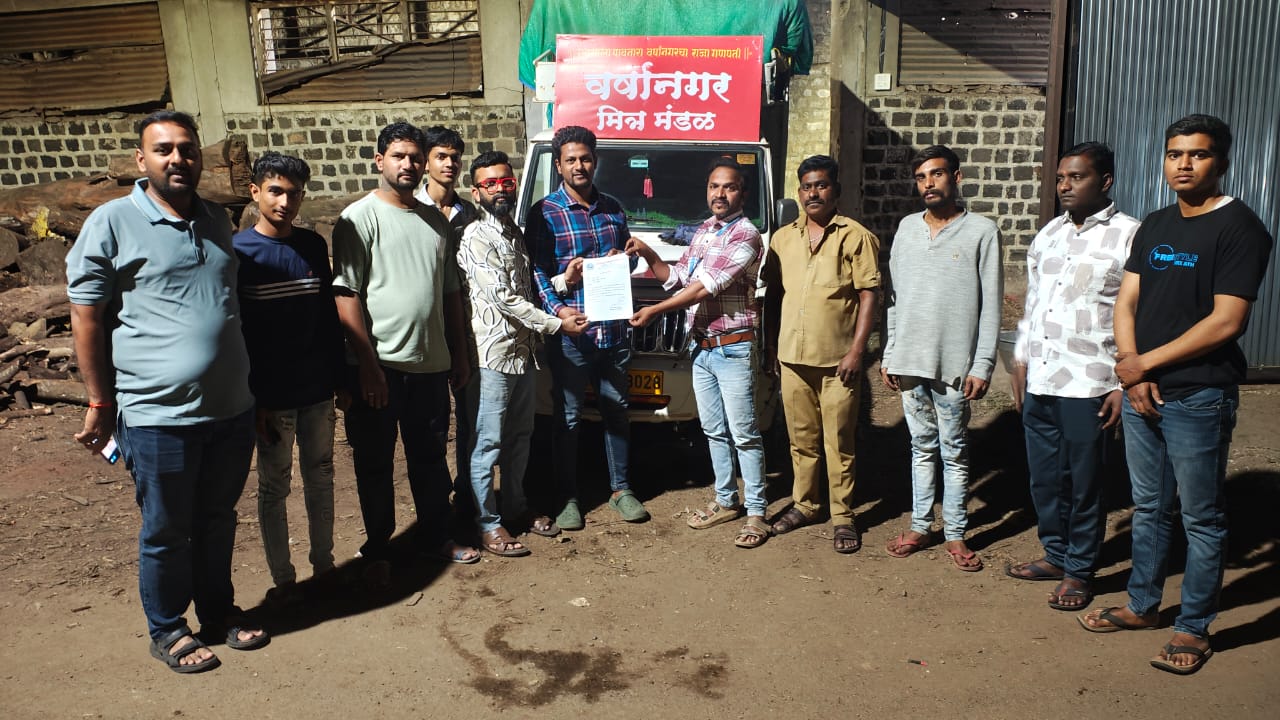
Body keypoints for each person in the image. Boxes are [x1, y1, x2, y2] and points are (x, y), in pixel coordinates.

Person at [65, 110, 267, 673]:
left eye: (186, 148)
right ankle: (168, 627)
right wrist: (101, 402)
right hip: (157, 412)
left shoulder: (216, 220)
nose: (177, 158)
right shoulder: (112, 222)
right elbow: (86, 316)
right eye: (163, 150)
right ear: (141, 160)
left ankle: (219, 611)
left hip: (230, 407)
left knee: (218, 517)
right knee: (166, 528)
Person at [1078, 114, 1272, 676]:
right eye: (1174, 154)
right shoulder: (1157, 224)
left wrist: (1143, 365)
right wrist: (1133, 376)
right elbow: (1126, 303)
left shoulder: (1241, 228)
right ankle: (1143, 606)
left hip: (1199, 397)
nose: (1183, 164)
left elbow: (1225, 322)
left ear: (1222, 161)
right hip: (1145, 393)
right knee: (1150, 509)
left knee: (1202, 518)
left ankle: (1193, 629)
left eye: (1198, 154)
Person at [331, 121, 479, 579]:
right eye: (399, 156)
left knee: (430, 457)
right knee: (374, 462)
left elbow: (450, 292)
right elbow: (346, 294)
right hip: (381, 369)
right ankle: (379, 544)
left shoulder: (435, 220)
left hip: (430, 365)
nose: (409, 165)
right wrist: (368, 367)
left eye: (415, 157)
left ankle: (436, 537)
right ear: (380, 162)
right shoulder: (359, 218)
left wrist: (459, 352)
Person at [1006, 143, 1140, 610]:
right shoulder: (1048, 236)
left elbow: (1141, 315)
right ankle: (1056, 553)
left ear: (1104, 182)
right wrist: (1020, 363)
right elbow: (1032, 306)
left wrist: (1125, 383)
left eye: (1076, 177)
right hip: (1041, 378)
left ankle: (1080, 570)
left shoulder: (1129, 237)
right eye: (1061, 177)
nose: (1065, 186)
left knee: (1085, 483)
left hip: (1091, 383)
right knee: (1045, 480)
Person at [626, 158, 770, 548]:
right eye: (713, 187)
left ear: (742, 193)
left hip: (733, 347)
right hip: (702, 347)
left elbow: (704, 288)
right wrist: (648, 256)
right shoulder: (705, 231)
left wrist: (654, 311)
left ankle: (756, 512)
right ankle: (727, 501)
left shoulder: (746, 235)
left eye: (729, 187)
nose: (719, 194)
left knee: (744, 434)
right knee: (713, 431)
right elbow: (679, 281)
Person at [458, 151, 588, 556]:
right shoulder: (476, 236)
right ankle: (486, 523)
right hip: (492, 356)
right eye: (490, 183)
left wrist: (563, 281)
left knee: (520, 437)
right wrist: (555, 324)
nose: (500, 189)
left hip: (523, 354)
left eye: (506, 182)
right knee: (488, 443)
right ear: (476, 191)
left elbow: (527, 290)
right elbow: (503, 298)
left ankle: (514, 507)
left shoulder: (513, 231)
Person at [881, 144, 1002, 572]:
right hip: (910, 360)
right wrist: (890, 352)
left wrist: (982, 363)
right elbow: (893, 300)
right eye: (921, 177)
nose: (928, 184)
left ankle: (954, 532)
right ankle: (919, 525)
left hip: (953, 365)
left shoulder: (982, 231)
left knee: (953, 449)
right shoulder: (908, 229)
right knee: (920, 446)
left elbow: (991, 304)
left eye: (936, 175)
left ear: (956, 177)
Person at [233, 151, 345, 606]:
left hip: (316, 390)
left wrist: (340, 380)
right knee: (274, 486)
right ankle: (284, 580)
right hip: (271, 398)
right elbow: (239, 329)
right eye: (276, 191)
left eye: (294, 193)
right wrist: (252, 397)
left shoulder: (312, 246)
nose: (285, 201)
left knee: (321, 476)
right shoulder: (239, 252)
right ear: (256, 192)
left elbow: (326, 318)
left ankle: (325, 568)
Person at [527, 125, 649, 529]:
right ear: (558, 165)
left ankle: (621, 490)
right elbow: (537, 274)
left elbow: (628, 261)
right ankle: (567, 497)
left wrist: (623, 258)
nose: (579, 166)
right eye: (571, 160)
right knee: (569, 417)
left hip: (612, 334)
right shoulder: (544, 212)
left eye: (585, 158)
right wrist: (560, 312)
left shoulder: (614, 207)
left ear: (595, 161)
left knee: (617, 411)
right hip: (573, 336)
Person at [760, 155, 880, 553]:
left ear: (835, 190)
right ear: (798, 193)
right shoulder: (782, 238)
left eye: (822, 185)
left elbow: (869, 295)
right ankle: (807, 504)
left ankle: (843, 515)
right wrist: (772, 347)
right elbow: (773, 296)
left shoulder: (855, 236)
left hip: (837, 360)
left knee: (839, 440)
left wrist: (857, 352)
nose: (814, 193)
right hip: (793, 358)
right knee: (801, 439)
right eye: (807, 186)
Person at [414, 126, 480, 518]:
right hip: (425, 330)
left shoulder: (469, 212)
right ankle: (434, 504)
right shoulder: (413, 208)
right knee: (432, 425)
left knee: (470, 417)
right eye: (441, 156)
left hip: (467, 327)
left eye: (455, 156)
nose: (450, 163)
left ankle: (468, 492)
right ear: (426, 162)